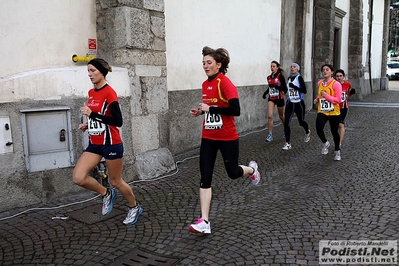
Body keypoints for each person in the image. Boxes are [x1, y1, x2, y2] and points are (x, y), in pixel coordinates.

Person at [188, 46, 261, 234]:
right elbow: (210, 109)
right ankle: (204, 221)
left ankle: (252, 170)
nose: (205, 66)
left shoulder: (225, 83)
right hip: (208, 137)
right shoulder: (205, 84)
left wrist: (210, 109)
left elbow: (235, 110)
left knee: (233, 172)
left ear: (219, 65)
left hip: (227, 137)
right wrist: (200, 112)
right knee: (205, 177)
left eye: (209, 63)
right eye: (203, 63)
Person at [72, 58, 143, 225]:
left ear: (102, 72)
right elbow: (98, 118)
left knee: (116, 181)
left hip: (111, 144)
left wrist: (92, 115)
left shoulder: (109, 92)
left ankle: (134, 207)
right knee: (78, 178)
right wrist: (87, 125)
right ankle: (106, 193)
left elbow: (117, 121)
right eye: (88, 71)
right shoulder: (91, 93)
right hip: (95, 144)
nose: (90, 74)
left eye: (93, 71)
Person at [313, 64, 342, 161]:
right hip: (323, 110)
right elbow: (320, 94)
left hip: (334, 112)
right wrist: (317, 99)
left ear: (332, 72)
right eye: (323, 70)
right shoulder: (320, 83)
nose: (324, 71)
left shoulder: (336, 84)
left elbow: (338, 100)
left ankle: (337, 150)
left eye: (327, 69)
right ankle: (325, 142)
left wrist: (326, 96)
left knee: (334, 131)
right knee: (318, 127)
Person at [281, 62, 311, 151]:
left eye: (294, 67)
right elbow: (288, 90)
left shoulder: (299, 78)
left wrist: (294, 86)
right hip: (290, 103)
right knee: (286, 123)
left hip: (299, 103)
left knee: (301, 121)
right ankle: (288, 143)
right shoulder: (289, 78)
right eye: (291, 67)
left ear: (297, 69)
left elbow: (304, 90)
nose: (292, 68)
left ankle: (307, 131)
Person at [262, 61, 287, 142]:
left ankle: (286, 128)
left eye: (274, 66)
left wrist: (277, 86)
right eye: (271, 66)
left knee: (281, 116)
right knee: (269, 116)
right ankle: (270, 134)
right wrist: (265, 93)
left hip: (279, 98)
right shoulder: (269, 77)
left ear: (277, 67)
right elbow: (270, 87)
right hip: (271, 98)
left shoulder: (280, 76)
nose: (272, 68)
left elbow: (285, 89)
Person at [335, 69, 356, 148]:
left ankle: (339, 143)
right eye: (337, 76)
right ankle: (336, 139)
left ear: (344, 76)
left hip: (344, 107)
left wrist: (351, 92)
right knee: (335, 126)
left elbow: (349, 93)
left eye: (340, 76)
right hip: (335, 107)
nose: (339, 78)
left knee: (341, 125)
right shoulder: (333, 84)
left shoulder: (347, 84)